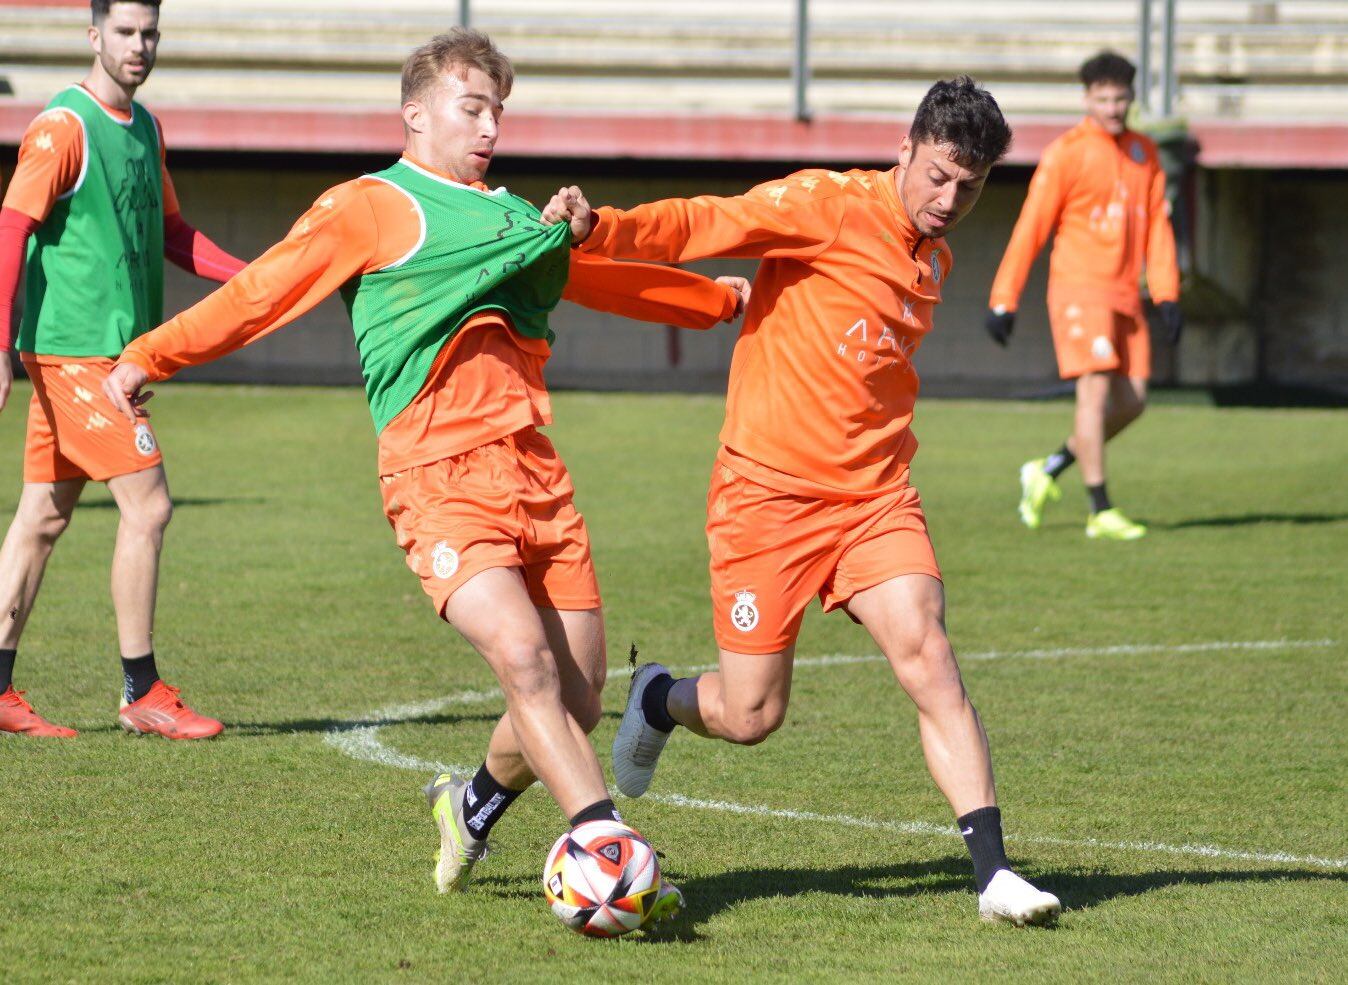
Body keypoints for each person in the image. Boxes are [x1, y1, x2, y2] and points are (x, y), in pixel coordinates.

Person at [103, 29, 747, 919]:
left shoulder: (515, 214)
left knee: (581, 695)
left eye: (499, 112)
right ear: (415, 114)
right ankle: (607, 846)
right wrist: (149, 356)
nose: (489, 127)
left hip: (536, 471)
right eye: (470, 108)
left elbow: (599, 278)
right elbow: (262, 295)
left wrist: (716, 301)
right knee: (521, 660)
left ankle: (471, 802)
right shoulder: (369, 206)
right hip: (436, 474)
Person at [542, 77, 1061, 926]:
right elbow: (708, 221)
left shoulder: (934, 256)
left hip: (874, 497)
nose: (949, 199)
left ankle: (994, 875)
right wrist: (606, 228)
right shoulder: (825, 205)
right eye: (937, 176)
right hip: (766, 499)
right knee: (751, 715)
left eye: (969, 187)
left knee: (927, 651)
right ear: (906, 149)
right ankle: (660, 698)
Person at [0, 0, 245, 740]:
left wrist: (258, 279)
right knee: (149, 506)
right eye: (127, 32)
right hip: (77, 355)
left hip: (102, 355)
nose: (140, 46)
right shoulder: (62, 127)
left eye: (150, 33)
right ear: (94, 36)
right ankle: (141, 689)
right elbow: (11, 227)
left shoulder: (146, 129)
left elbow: (172, 233)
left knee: (41, 518)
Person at [985, 50, 1181, 541]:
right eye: (1104, 99)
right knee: (1092, 394)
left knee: (1134, 402)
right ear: (1087, 98)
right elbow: (1031, 227)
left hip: (1125, 294)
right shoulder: (1066, 153)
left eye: (1121, 99)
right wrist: (1003, 297)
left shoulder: (1145, 154)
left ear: (1132, 98)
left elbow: (1157, 226)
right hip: (1078, 290)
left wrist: (1167, 292)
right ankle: (1100, 510)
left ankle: (1047, 470)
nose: (1113, 108)